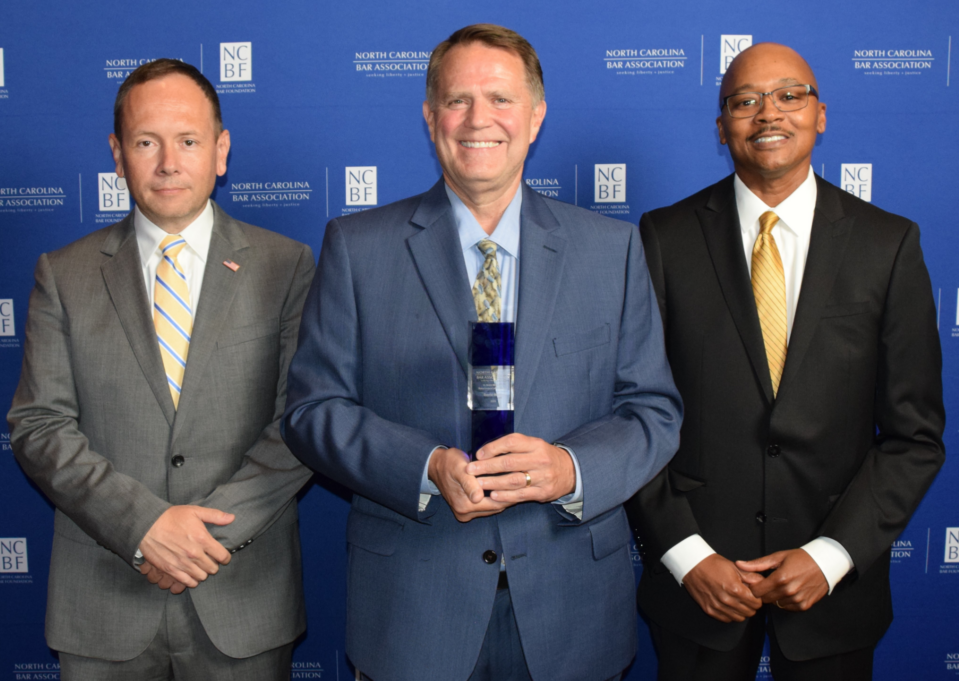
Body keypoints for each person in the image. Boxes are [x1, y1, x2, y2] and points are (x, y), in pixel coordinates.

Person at [281, 23, 682, 681]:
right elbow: (312, 411)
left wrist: (569, 467)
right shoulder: (358, 248)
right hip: (413, 614)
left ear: (535, 116)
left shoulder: (612, 251)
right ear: (429, 115)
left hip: (571, 615)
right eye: (457, 99)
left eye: (499, 99)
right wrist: (425, 464)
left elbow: (653, 413)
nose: (478, 120)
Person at [626, 43, 945, 681]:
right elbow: (632, 413)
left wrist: (833, 554)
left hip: (835, 584)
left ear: (820, 114)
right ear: (721, 128)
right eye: (744, 101)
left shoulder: (888, 244)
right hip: (700, 585)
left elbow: (915, 437)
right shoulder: (663, 237)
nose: (767, 113)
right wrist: (687, 555)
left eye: (788, 95)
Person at [8, 59, 315, 680]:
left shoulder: (286, 267)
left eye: (189, 141)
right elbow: (39, 425)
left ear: (221, 151)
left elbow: (302, 423)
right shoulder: (63, 274)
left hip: (242, 601)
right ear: (117, 155)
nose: (168, 161)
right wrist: (145, 527)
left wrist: (202, 543)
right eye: (147, 142)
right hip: (102, 602)